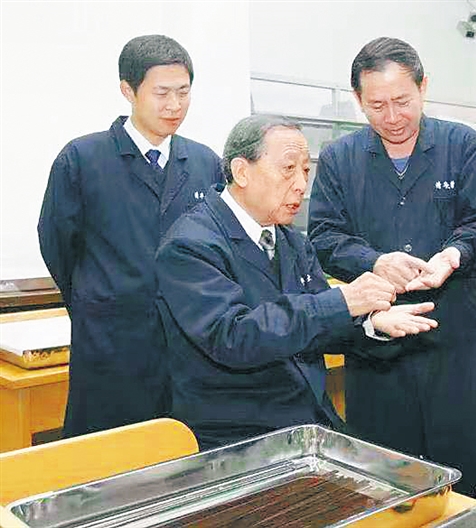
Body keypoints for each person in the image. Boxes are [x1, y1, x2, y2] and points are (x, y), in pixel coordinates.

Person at [155, 115, 439, 450]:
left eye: (305, 170)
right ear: (242, 171)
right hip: (237, 436)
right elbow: (234, 336)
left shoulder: (292, 241)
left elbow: (318, 325)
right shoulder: (190, 245)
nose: (302, 184)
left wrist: (370, 323)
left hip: (308, 421)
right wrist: (342, 302)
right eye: (288, 169)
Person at [308, 36, 476, 495]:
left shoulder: (462, 145)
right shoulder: (339, 159)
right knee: (382, 480)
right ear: (358, 100)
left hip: (450, 341)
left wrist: (453, 256)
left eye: (403, 101)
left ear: (423, 87)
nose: (392, 117)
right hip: (374, 346)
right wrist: (375, 261)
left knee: (458, 475)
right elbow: (324, 237)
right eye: (377, 105)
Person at [37, 35, 224, 437]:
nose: (174, 105)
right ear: (128, 90)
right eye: (161, 93)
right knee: (106, 458)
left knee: (183, 454)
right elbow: (57, 245)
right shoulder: (82, 160)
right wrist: (100, 300)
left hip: (188, 348)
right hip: (110, 347)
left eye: (183, 92)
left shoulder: (205, 163)